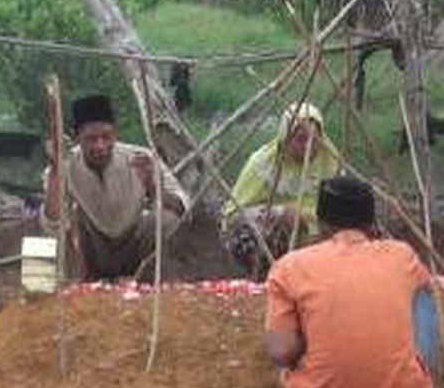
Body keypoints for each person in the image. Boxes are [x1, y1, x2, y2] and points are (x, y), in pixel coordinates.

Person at [265, 176, 433, 388]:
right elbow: (425, 300)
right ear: (371, 223)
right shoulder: (402, 256)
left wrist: (311, 336)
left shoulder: (290, 267)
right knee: (421, 299)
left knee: (288, 340)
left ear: (320, 223)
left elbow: (280, 352)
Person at [41, 95, 190, 280]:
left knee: (167, 220)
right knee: (66, 226)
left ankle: (150, 281)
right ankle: (80, 285)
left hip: (135, 245)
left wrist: (152, 186)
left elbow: (182, 208)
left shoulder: (141, 157)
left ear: (116, 134)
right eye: (91, 139)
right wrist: (56, 167)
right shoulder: (63, 166)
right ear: (77, 137)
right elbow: (51, 223)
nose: (100, 146)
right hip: (92, 250)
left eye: (106, 137)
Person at [222, 102, 341, 279]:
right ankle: (268, 280)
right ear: (285, 139)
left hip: (317, 235)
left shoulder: (329, 161)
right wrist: (279, 212)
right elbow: (233, 216)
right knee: (252, 239)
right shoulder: (263, 164)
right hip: (276, 236)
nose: (308, 146)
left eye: (314, 139)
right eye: (301, 139)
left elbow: (341, 210)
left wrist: (311, 220)